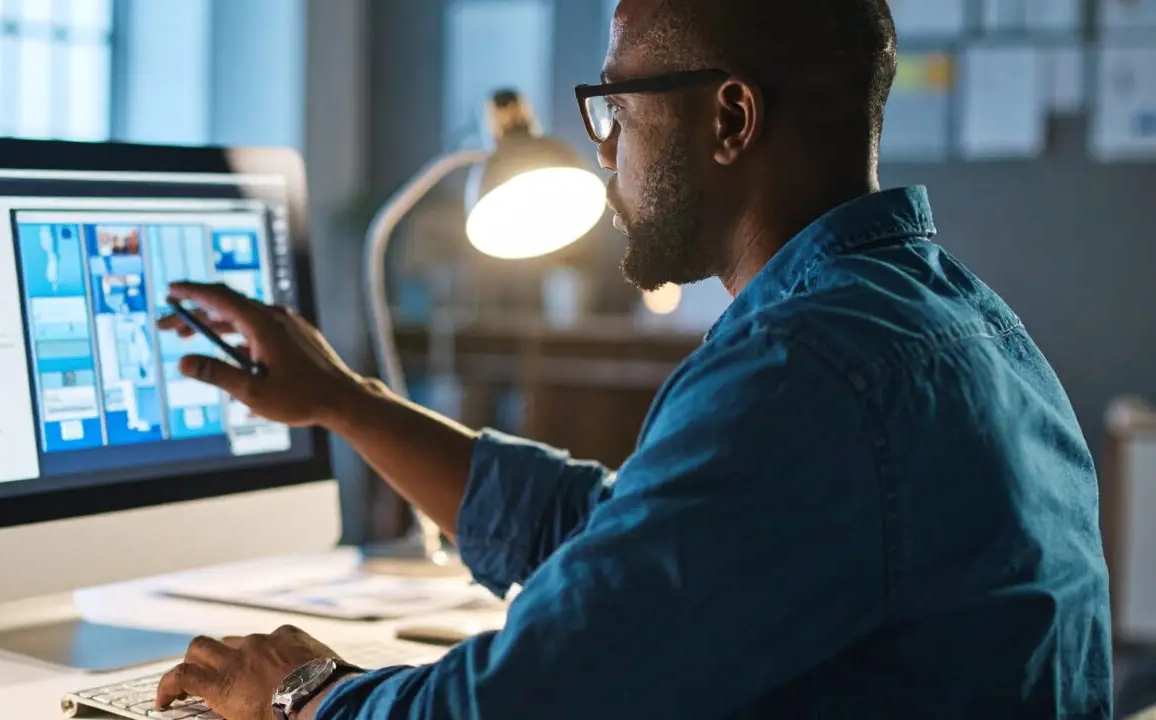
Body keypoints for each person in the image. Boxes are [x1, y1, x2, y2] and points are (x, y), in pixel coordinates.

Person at [153, 0, 1113, 717]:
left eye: (617, 107)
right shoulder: (951, 317)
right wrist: (345, 400)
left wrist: (306, 694)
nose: (605, 154)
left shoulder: (804, 368)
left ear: (729, 120)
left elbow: (530, 703)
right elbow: (617, 540)